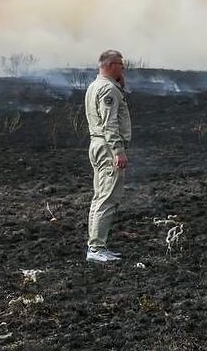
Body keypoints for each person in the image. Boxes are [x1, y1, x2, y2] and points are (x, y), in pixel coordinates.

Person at [84, 49, 132, 263]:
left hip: (97, 144)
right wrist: (118, 151)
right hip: (107, 147)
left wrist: (120, 85)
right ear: (112, 65)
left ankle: (96, 246)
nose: (124, 69)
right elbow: (110, 124)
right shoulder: (108, 90)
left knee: (100, 197)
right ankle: (96, 249)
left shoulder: (95, 86)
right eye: (121, 65)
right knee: (107, 198)